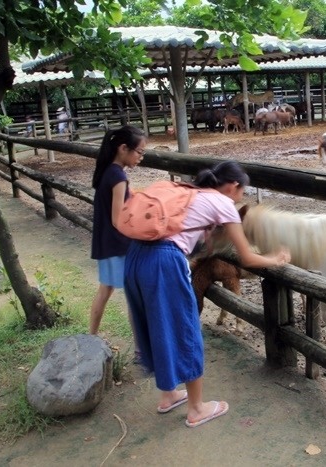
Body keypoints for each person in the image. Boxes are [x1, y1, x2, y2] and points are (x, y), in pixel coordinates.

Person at [124, 161, 290, 428]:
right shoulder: (223, 203)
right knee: (186, 329)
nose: (239, 198)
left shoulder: (188, 191)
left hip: (133, 258)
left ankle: (168, 395)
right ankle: (196, 409)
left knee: (156, 324)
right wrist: (276, 258)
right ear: (234, 186)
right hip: (164, 261)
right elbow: (246, 257)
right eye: (241, 192)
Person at [89, 125, 145, 353]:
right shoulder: (119, 177)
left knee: (105, 291)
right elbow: (117, 218)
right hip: (119, 245)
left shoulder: (107, 171)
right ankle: (141, 349)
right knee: (134, 296)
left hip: (106, 243)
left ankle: (90, 337)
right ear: (123, 148)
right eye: (139, 152)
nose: (141, 157)